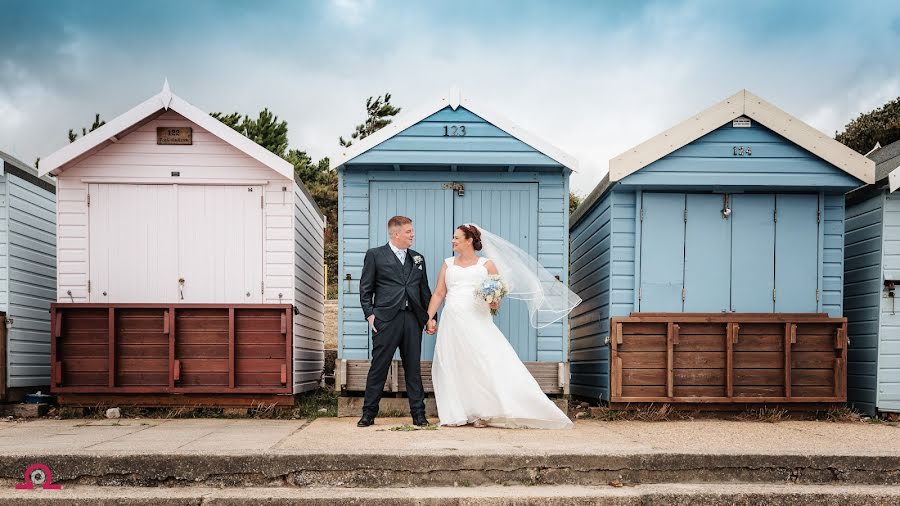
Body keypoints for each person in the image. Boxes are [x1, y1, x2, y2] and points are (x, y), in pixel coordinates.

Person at [426, 224, 578, 429]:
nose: (453, 241)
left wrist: (494, 300)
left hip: (477, 319)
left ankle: (483, 412)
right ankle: (457, 412)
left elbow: (496, 298)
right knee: (454, 363)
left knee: (482, 362)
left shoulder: (487, 265)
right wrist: (429, 317)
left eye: (456, 238)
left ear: (469, 240)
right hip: (452, 319)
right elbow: (439, 293)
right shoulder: (447, 264)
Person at [357, 216, 434, 427]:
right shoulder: (375, 255)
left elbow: (424, 290)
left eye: (412, 231)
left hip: (412, 320)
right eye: (409, 231)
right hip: (386, 320)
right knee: (379, 367)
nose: (413, 235)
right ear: (395, 234)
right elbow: (366, 289)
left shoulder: (418, 258)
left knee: (413, 369)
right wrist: (370, 314)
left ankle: (419, 415)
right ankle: (368, 414)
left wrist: (431, 318)